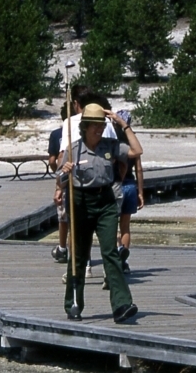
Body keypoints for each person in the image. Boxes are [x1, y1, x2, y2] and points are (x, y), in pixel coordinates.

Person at [55, 104, 142, 323]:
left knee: (110, 252)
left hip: (105, 201)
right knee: (79, 254)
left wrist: (124, 125)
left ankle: (122, 304)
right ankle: (73, 304)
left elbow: (136, 151)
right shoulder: (73, 149)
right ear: (85, 127)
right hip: (80, 200)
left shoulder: (110, 145)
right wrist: (65, 172)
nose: (99, 130)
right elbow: (61, 181)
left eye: (101, 126)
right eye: (95, 126)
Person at [52, 88, 117, 278]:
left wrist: (59, 187)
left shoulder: (70, 122)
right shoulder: (107, 122)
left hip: (81, 184)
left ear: (76, 105)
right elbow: (116, 157)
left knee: (77, 230)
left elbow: (63, 155)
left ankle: (82, 267)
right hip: (105, 184)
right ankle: (105, 270)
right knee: (107, 233)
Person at [114, 110, 144, 275]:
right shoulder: (133, 144)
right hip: (130, 186)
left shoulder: (113, 143)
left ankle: (116, 253)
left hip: (116, 186)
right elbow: (139, 169)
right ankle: (123, 260)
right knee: (125, 226)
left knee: (112, 227)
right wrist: (140, 191)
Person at [49, 103, 69, 265]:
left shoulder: (56, 134)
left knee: (63, 217)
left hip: (63, 179)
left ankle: (62, 247)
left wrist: (58, 172)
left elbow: (52, 159)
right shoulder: (81, 131)